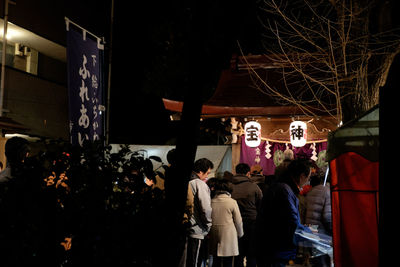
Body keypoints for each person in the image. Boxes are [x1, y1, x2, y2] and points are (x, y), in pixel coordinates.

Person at [256, 158, 313, 267]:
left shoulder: (282, 188)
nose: (307, 182)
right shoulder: (284, 191)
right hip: (275, 249)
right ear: (302, 176)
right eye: (308, 178)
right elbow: (290, 222)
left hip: (272, 248)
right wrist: (310, 232)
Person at [231, 163, 263, 267]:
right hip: (251, 222)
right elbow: (260, 204)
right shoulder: (254, 187)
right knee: (251, 253)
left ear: (236, 172)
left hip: (233, 223)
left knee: (238, 252)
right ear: (248, 173)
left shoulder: (230, 186)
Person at [208, 178, 243, 267]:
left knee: (216, 261)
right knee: (228, 261)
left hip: (214, 234)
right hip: (229, 236)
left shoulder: (211, 202)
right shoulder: (232, 202)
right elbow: (238, 221)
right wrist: (240, 234)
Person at [186, 158, 214, 267]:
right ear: (200, 172)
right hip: (196, 229)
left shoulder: (187, 182)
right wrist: (209, 224)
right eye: (207, 173)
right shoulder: (199, 184)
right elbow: (206, 208)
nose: (207, 176)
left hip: (185, 227)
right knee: (194, 262)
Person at [305, 169, 332, 235]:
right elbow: (328, 218)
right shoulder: (328, 192)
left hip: (308, 231)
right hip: (321, 234)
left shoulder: (312, 190)